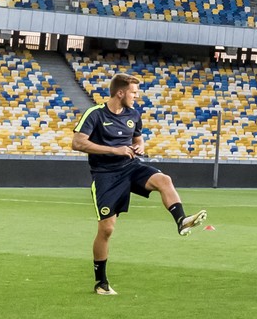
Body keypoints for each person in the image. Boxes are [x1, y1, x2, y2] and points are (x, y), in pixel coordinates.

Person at [74, 72, 207, 296]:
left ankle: (181, 220)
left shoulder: (134, 114)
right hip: (106, 175)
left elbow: (137, 138)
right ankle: (101, 282)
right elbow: (78, 143)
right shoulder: (95, 114)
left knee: (164, 180)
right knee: (106, 230)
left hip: (131, 167)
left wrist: (140, 146)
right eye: (134, 92)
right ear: (120, 92)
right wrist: (114, 150)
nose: (137, 96)